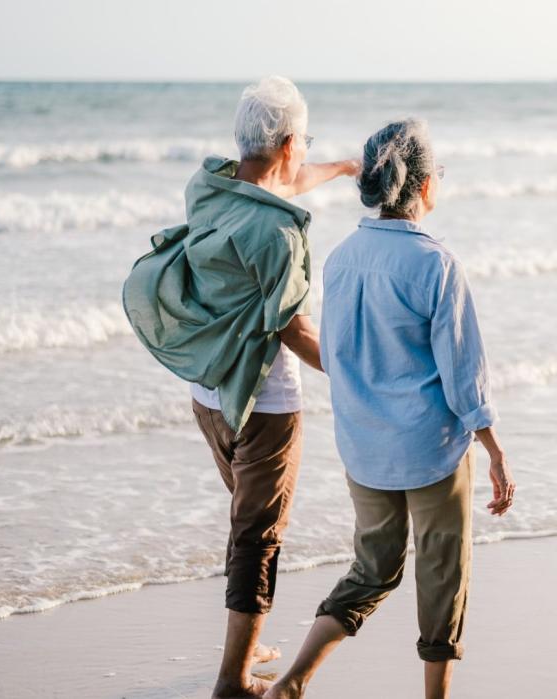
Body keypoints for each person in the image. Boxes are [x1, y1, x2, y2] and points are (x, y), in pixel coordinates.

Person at [122, 76, 358, 699]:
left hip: (209, 397)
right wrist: (356, 369)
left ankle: (245, 647)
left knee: (246, 527)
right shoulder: (279, 236)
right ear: (285, 144)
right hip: (265, 407)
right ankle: (232, 681)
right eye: (304, 142)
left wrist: (339, 169)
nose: (305, 151)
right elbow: (294, 330)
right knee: (259, 537)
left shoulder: (210, 186)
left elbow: (279, 185)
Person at [265, 119, 516, 699]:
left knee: (373, 570)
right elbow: (463, 376)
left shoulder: (342, 258)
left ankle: (294, 680)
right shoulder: (436, 265)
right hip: (430, 451)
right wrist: (496, 452)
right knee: (441, 577)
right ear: (425, 186)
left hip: (364, 448)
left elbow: (340, 357)